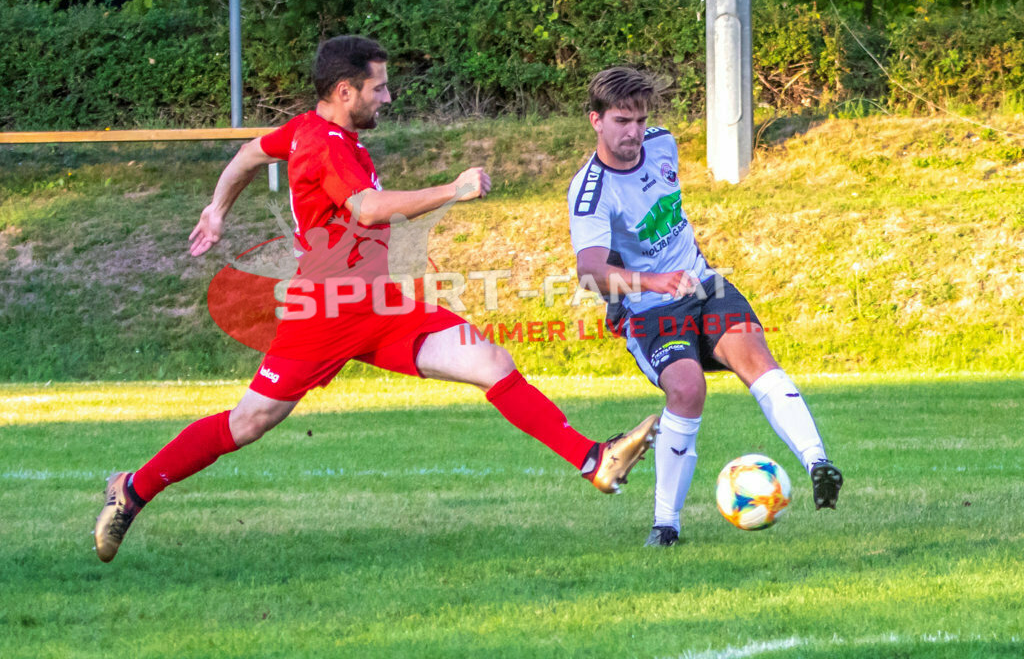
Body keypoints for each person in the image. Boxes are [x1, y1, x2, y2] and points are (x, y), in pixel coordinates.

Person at [93, 37, 659, 563]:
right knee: (250, 421)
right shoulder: (325, 144)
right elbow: (366, 208)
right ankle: (132, 489)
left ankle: (594, 460)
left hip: (381, 306)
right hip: (325, 312)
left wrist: (217, 210)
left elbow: (247, 155)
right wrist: (452, 190)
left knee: (490, 361)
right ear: (346, 91)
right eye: (379, 87)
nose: (387, 97)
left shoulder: (306, 131)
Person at [567, 67, 843, 548]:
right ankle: (666, 525)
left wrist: (684, 272)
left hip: (702, 284)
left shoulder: (663, 144)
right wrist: (653, 281)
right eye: (621, 121)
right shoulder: (591, 191)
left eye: (640, 120)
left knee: (755, 356)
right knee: (688, 389)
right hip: (650, 309)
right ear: (596, 120)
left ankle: (818, 463)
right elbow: (589, 270)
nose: (633, 132)